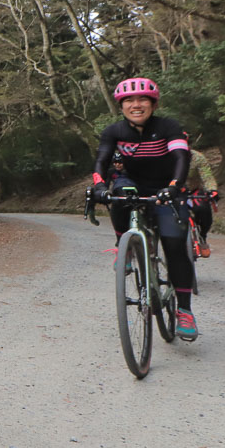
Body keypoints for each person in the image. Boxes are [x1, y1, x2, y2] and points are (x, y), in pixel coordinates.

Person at [91, 77, 198, 341]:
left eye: (142, 100)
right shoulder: (114, 132)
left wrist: (174, 186)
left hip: (166, 188)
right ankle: (122, 244)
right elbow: (102, 160)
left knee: (174, 245)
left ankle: (184, 310)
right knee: (118, 194)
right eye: (129, 100)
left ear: (153, 104)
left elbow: (181, 157)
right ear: (121, 105)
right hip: (132, 183)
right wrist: (98, 186)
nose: (136, 105)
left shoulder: (168, 127)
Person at [186, 146, 220, 257]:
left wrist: (212, 190)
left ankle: (202, 234)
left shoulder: (197, 157)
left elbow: (207, 176)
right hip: (173, 192)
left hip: (193, 191)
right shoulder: (165, 155)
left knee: (204, 209)